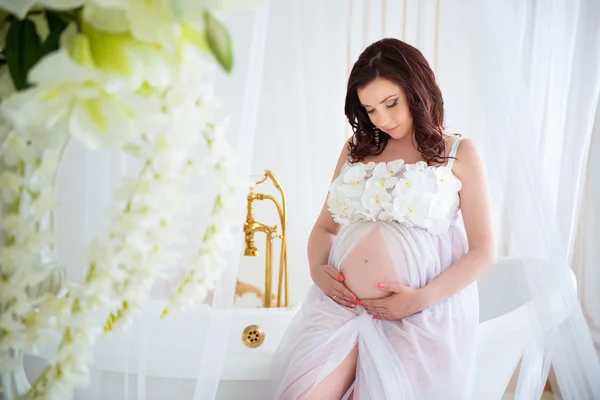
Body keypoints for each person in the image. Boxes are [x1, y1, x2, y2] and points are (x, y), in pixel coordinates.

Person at [271, 38, 497, 400]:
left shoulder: (459, 152)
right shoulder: (357, 149)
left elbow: (484, 252)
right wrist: (316, 268)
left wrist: (418, 300)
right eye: (371, 109)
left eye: (391, 103)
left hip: (419, 316)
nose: (383, 119)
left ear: (417, 89)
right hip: (340, 308)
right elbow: (326, 228)